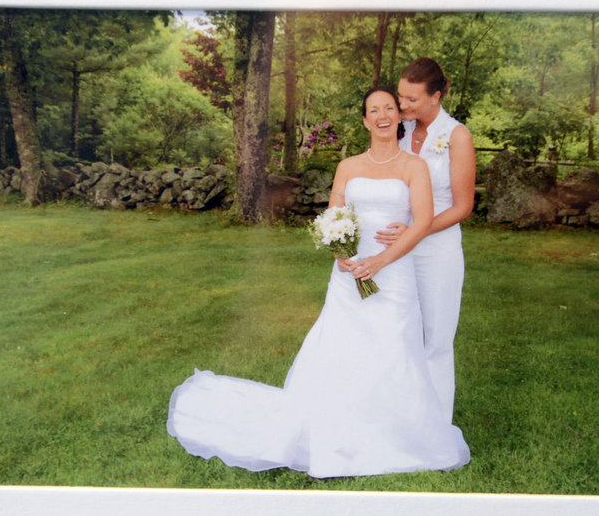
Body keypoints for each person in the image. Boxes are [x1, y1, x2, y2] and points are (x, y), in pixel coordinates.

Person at [167, 87, 471, 478]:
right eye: (373, 110)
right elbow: (334, 218)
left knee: (394, 346)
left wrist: (379, 261)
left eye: (389, 108)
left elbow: (424, 221)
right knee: (342, 348)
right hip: (348, 276)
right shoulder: (348, 166)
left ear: (400, 117)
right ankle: (333, 425)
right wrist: (340, 253)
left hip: (394, 275)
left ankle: (393, 430)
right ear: (364, 120)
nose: (381, 115)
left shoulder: (415, 167)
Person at [378, 58, 477, 423]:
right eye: (400, 97)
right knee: (395, 329)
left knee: (435, 337)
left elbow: (463, 206)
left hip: (437, 251)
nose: (403, 106)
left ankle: (434, 424)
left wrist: (417, 230)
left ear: (436, 96)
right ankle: (396, 412)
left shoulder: (457, 136)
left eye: (412, 100)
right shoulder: (400, 129)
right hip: (395, 248)